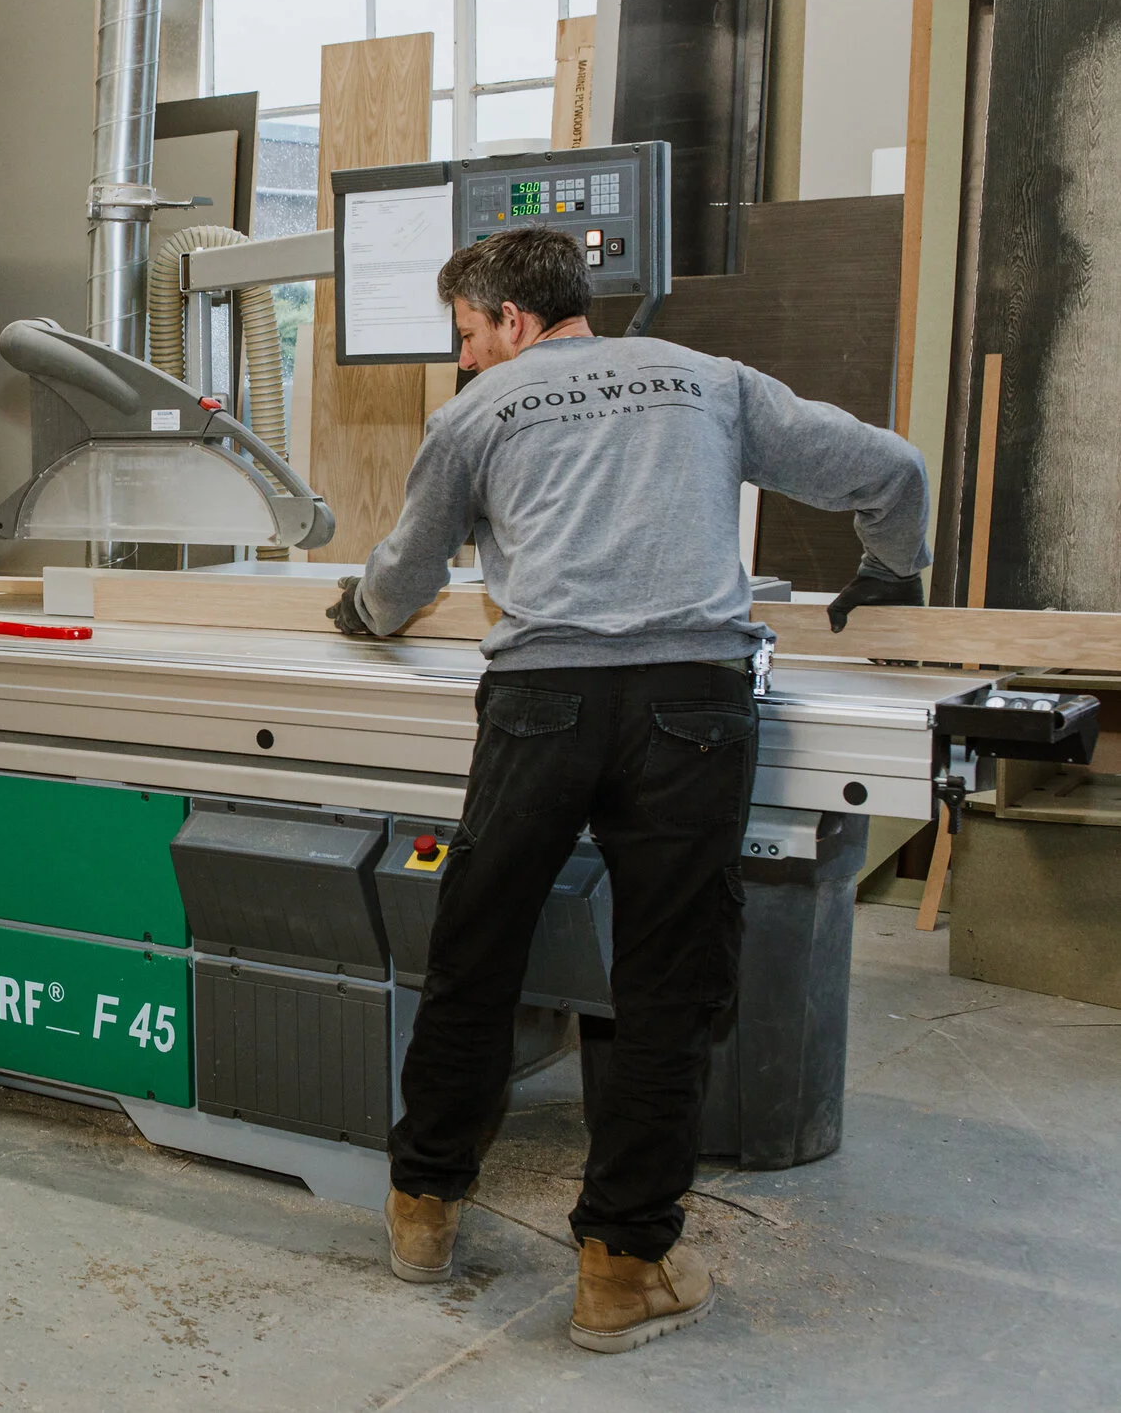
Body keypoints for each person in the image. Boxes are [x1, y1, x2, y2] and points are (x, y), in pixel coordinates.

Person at [330, 227, 927, 1354]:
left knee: (476, 951)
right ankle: (621, 1267)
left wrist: (359, 612)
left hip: (540, 701)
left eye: (465, 335)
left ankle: (423, 1213)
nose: (461, 360)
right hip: (691, 708)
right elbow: (891, 469)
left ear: (510, 319)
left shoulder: (475, 414)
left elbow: (405, 573)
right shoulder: (713, 382)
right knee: (665, 979)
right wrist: (889, 567)